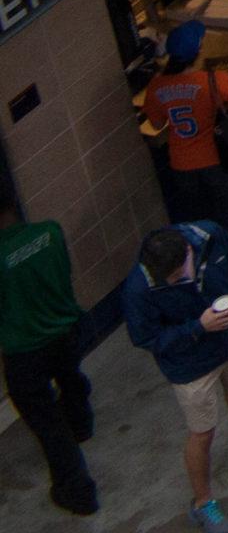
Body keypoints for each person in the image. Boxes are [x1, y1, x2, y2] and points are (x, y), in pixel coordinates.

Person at [121, 217, 228, 526]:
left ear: (187, 252)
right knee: (202, 431)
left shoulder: (211, 236)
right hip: (191, 365)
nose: (173, 282)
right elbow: (147, 338)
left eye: (176, 275)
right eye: (168, 280)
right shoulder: (139, 288)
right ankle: (202, 503)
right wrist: (198, 327)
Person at [0, 204, 97, 517]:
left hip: (26, 350)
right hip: (66, 331)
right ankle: (82, 425)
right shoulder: (50, 231)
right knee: (70, 376)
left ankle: (77, 490)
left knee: (46, 421)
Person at [135, 22, 228, 235]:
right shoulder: (214, 80)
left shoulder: (156, 87)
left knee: (200, 223)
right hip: (216, 161)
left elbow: (157, 124)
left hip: (182, 167)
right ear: (198, 51)